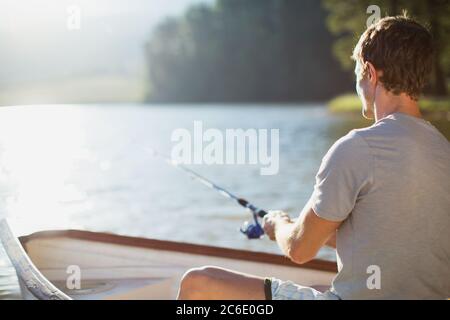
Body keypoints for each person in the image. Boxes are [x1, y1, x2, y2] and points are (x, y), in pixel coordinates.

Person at [177, 15, 450, 300]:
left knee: (198, 283)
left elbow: (299, 249)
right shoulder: (443, 150)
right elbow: (394, 241)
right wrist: (312, 228)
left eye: (357, 73)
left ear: (370, 73)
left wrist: (279, 225)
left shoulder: (358, 148)